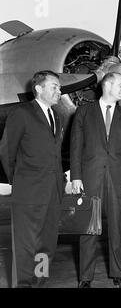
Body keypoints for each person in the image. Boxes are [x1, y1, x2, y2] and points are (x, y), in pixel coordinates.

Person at [70, 72, 121, 288]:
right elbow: (75, 148)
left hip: (118, 179)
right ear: (107, 85)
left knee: (117, 228)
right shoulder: (83, 112)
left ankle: (119, 275)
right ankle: (85, 278)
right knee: (88, 229)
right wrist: (76, 176)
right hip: (90, 178)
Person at [0, 70, 63, 287]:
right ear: (38, 88)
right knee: (26, 246)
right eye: (54, 86)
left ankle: (39, 282)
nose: (59, 91)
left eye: (59, 87)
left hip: (53, 193)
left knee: (46, 245)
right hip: (28, 191)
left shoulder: (58, 116)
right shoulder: (21, 113)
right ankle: (24, 284)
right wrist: (16, 180)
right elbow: (7, 150)